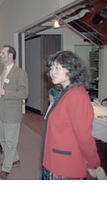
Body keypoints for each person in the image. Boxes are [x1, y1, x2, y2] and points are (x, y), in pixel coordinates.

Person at [40, 50, 101, 180]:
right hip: (55, 160)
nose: (52, 72)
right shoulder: (66, 91)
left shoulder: (77, 95)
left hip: (65, 167)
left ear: (72, 69)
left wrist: (93, 162)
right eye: (51, 67)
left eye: (57, 67)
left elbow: (84, 137)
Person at [0, 45, 28, 180]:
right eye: (0, 52)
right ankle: (15, 159)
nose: (0, 55)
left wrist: (5, 92)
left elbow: (24, 93)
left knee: (11, 142)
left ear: (11, 55)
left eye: (2, 52)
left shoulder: (20, 73)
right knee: (3, 139)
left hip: (12, 112)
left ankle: (6, 168)